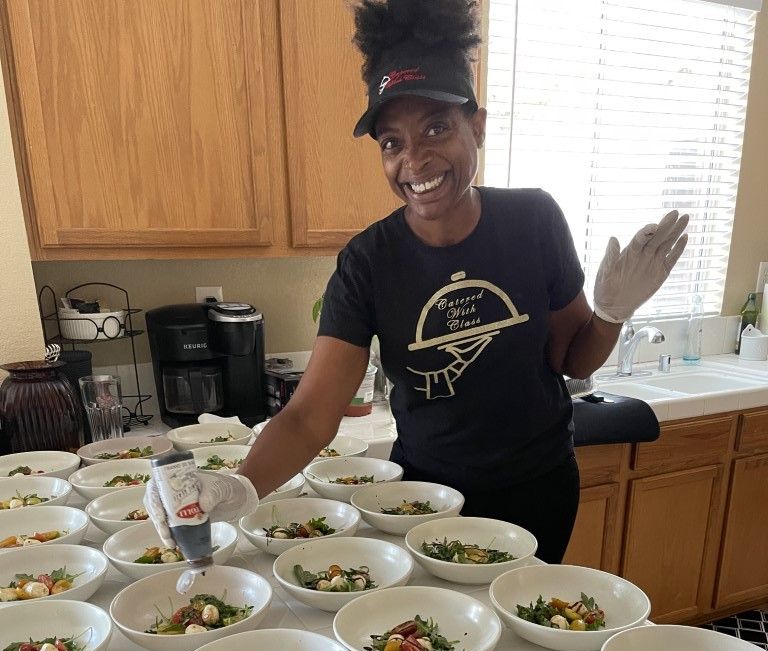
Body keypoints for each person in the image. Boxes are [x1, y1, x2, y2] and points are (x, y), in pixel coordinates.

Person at [147, 0, 688, 563]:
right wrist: (238, 485)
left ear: (475, 125)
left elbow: (574, 362)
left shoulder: (534, 221)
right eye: (392, 142)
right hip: (423, 500)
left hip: (539, 487)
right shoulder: (367, 262)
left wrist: (611, 313)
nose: (415, 160)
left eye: (436, 127)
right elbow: (309, 416)